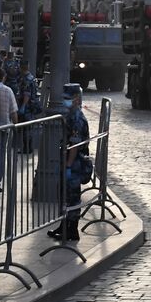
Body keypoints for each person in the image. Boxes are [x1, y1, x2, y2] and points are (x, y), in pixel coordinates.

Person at [49, 83, 90, 243]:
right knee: (65, 196)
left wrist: (67, 165)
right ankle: (64, 226)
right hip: (70, 162)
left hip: (75, 164)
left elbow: (74, 145)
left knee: (72, 197)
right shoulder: (71, 115)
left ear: (76, 99)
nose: (65, 101)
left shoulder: (77, 118)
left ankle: (72, 230)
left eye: (68, 98)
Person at [15, 60, 39, 154]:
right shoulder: (31, 77)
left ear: (21, 67)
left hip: (27, 107)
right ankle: (27, 147)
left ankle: (27, 148)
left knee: (26, 128)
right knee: (28, 128)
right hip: (30, 106)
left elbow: (26, 94)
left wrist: (23, 106)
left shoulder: (25, 79)